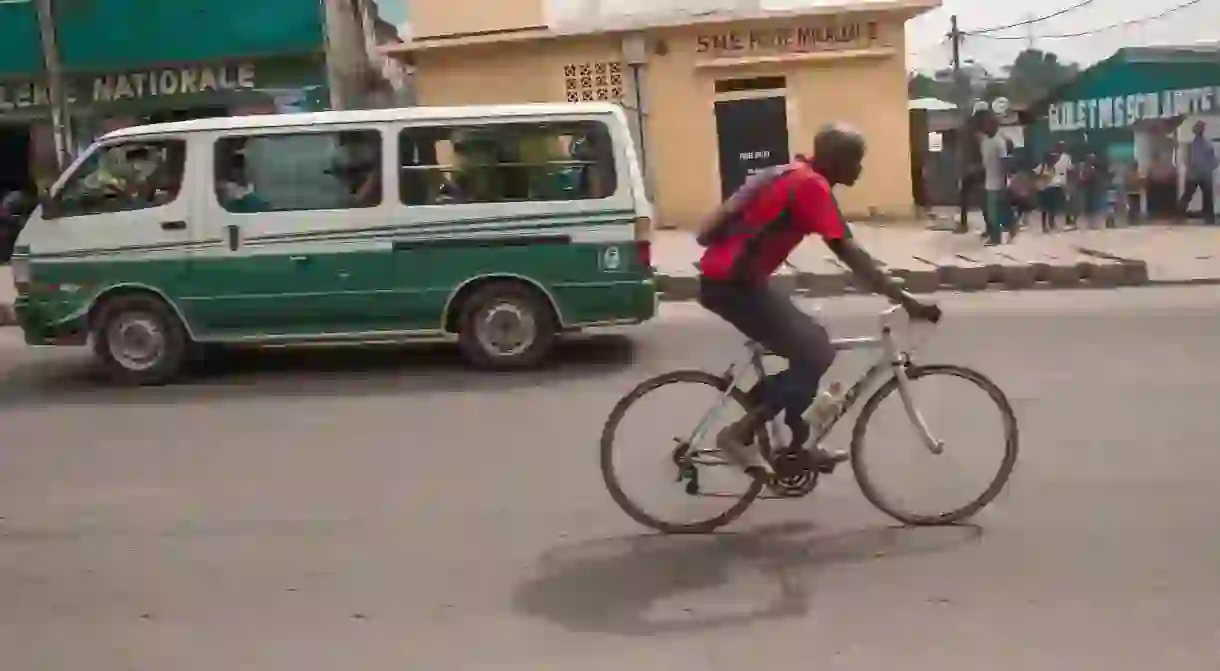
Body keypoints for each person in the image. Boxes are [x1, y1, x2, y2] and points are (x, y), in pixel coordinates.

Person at [695, 123, 942, 485]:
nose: (860, 169)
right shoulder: (811, 186)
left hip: (736, 282)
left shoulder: (799, 174)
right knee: (815, 353)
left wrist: (894, 290)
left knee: (812, 349)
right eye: (856, 160)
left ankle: (799, 445)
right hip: (731, 286)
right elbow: (850, 252)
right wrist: (907, 301)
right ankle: (739, 434)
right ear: (837, 159)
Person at [977, 111, 1013, 245]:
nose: (985, 127)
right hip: (988, 182)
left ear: (995, 126)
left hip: (998, 183)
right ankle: (1006, 230)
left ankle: (996, 238)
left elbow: (1004, 163)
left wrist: (1005, 183)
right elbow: (985, 163)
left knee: (995, 214)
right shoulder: (984, 142)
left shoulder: (999, 142)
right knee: (993, 213)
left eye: (988, 124)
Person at [1178, 121, 1216, 225]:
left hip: (1199, 173)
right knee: (1193, 194)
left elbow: (1210, 158)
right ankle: (1208, 216)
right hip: (1198, 173)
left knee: (1195, 194)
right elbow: (1190, 159)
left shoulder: (1201, 143)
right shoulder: (1198, 144)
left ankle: (1208, 216)